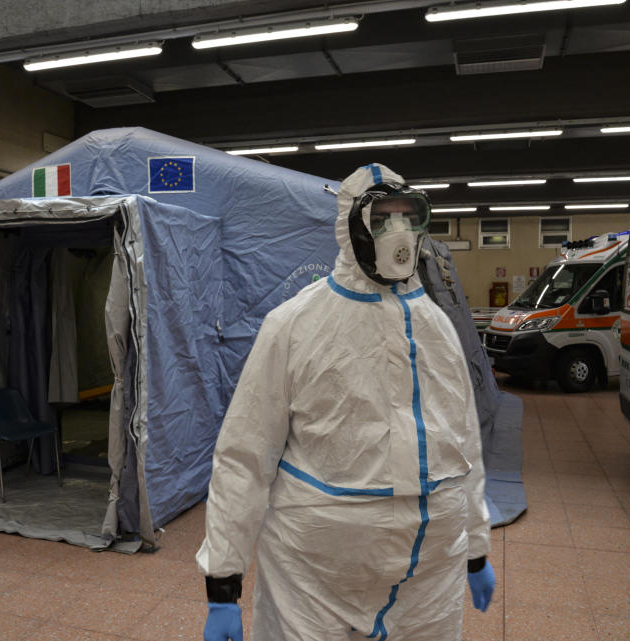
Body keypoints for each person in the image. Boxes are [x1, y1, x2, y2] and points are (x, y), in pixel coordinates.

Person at [197, 163, 495, 641]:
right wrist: (222, 581)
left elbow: (464, 448)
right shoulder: (293, 325)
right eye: (382, 219)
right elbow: (245, 456)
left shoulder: (436, 327)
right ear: (351, 227)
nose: (398, 232)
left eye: (407, 217)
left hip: (428, 577)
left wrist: (476, 547)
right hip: (314, 579)